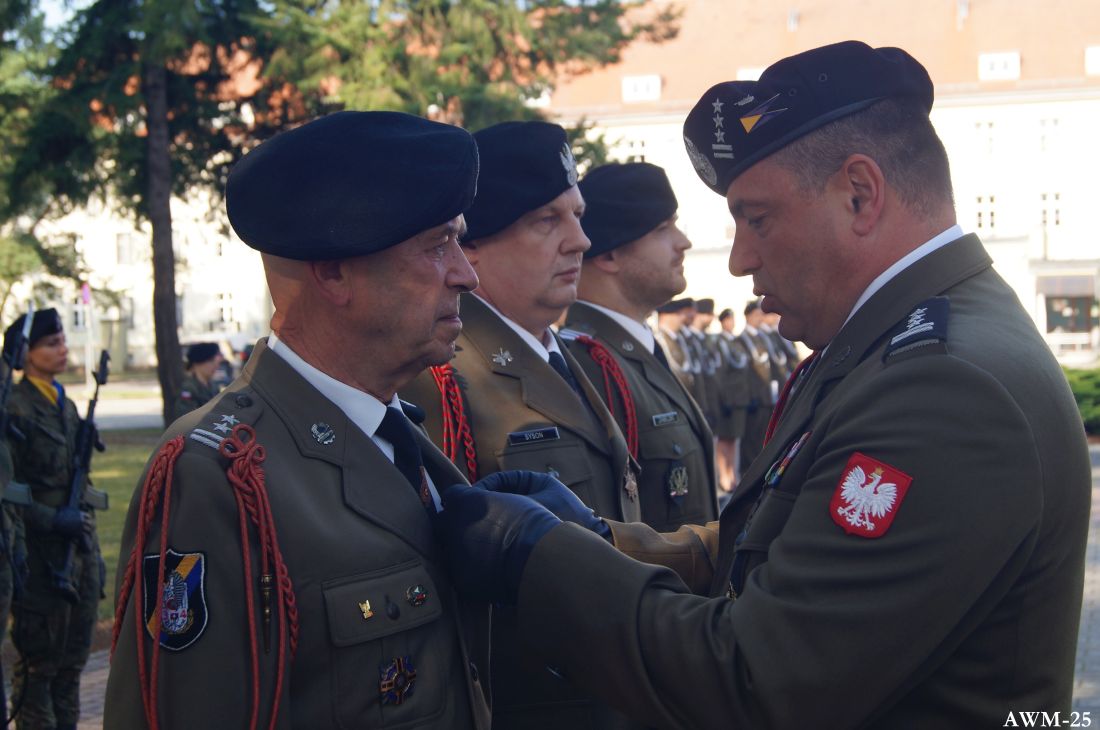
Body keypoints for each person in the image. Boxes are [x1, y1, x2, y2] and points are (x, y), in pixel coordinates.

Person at [433, 40, 1092, 728]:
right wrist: (598, 538)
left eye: (757, 219)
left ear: (860, 195)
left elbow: (760, 681)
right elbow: (778, 545)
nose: (739, 259)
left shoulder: (942, 388)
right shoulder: (903, 347)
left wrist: (538, 556)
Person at [105, 111, 498, 729]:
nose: (466, 274)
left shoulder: (401, 438)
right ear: (334, 271)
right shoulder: (219, 476)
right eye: (436, 245)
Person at [402, 121, 642, 730]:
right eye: (545, 221)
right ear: (474, 248)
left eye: (577, 216)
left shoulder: (575, 359)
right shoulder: (440, 378)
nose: (580, 240)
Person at [562, 161, 718, 532]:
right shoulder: (589, 364)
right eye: (663, 229)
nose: (683, 242)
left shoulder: (634, 350)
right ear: (609, 255)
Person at [3, 308, 104, 730]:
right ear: (26, 353)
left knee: (71, 667)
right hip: (39, 558)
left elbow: (79, 480)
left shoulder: (65, 403)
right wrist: (51, 519)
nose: (62, 349)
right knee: (39, 670)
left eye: (63, 341)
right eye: (51, 343)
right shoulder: (15, 409)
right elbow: (9, 492)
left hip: (77, 553)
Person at [712, 308, 751, 493]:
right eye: (728, 319)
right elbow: (719, 373)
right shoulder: (719, 342)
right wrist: (724, 398)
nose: (732, 323)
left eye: (733, 319)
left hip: (739, 397)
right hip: (727, 398)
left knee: (735, 437)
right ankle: (724, 476)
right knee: (724, 438)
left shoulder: (735, 341)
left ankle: (732, 474)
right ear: (722, 321)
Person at [738, 298, 778, 469]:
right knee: (751, 440)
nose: (760, 318)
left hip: (767, 396)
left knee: (764, 437)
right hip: (754, 397)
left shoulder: (763, 338)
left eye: (761, 315)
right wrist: (750, 395)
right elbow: (744, 372)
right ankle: (748, 471)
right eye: (756, 315)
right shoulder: (741, 339)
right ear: (748, 316)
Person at [171, 342, 223, 420]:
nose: (216, 365)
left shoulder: (214, 386)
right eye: (211, 360)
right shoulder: (188, 388)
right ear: (198, 362)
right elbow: (186, 418)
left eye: (216, 361)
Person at [653, 297, 695, 392]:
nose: (683, 318)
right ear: (666, 315)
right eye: (678, 314)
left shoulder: (680, 339)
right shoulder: (659, 340)